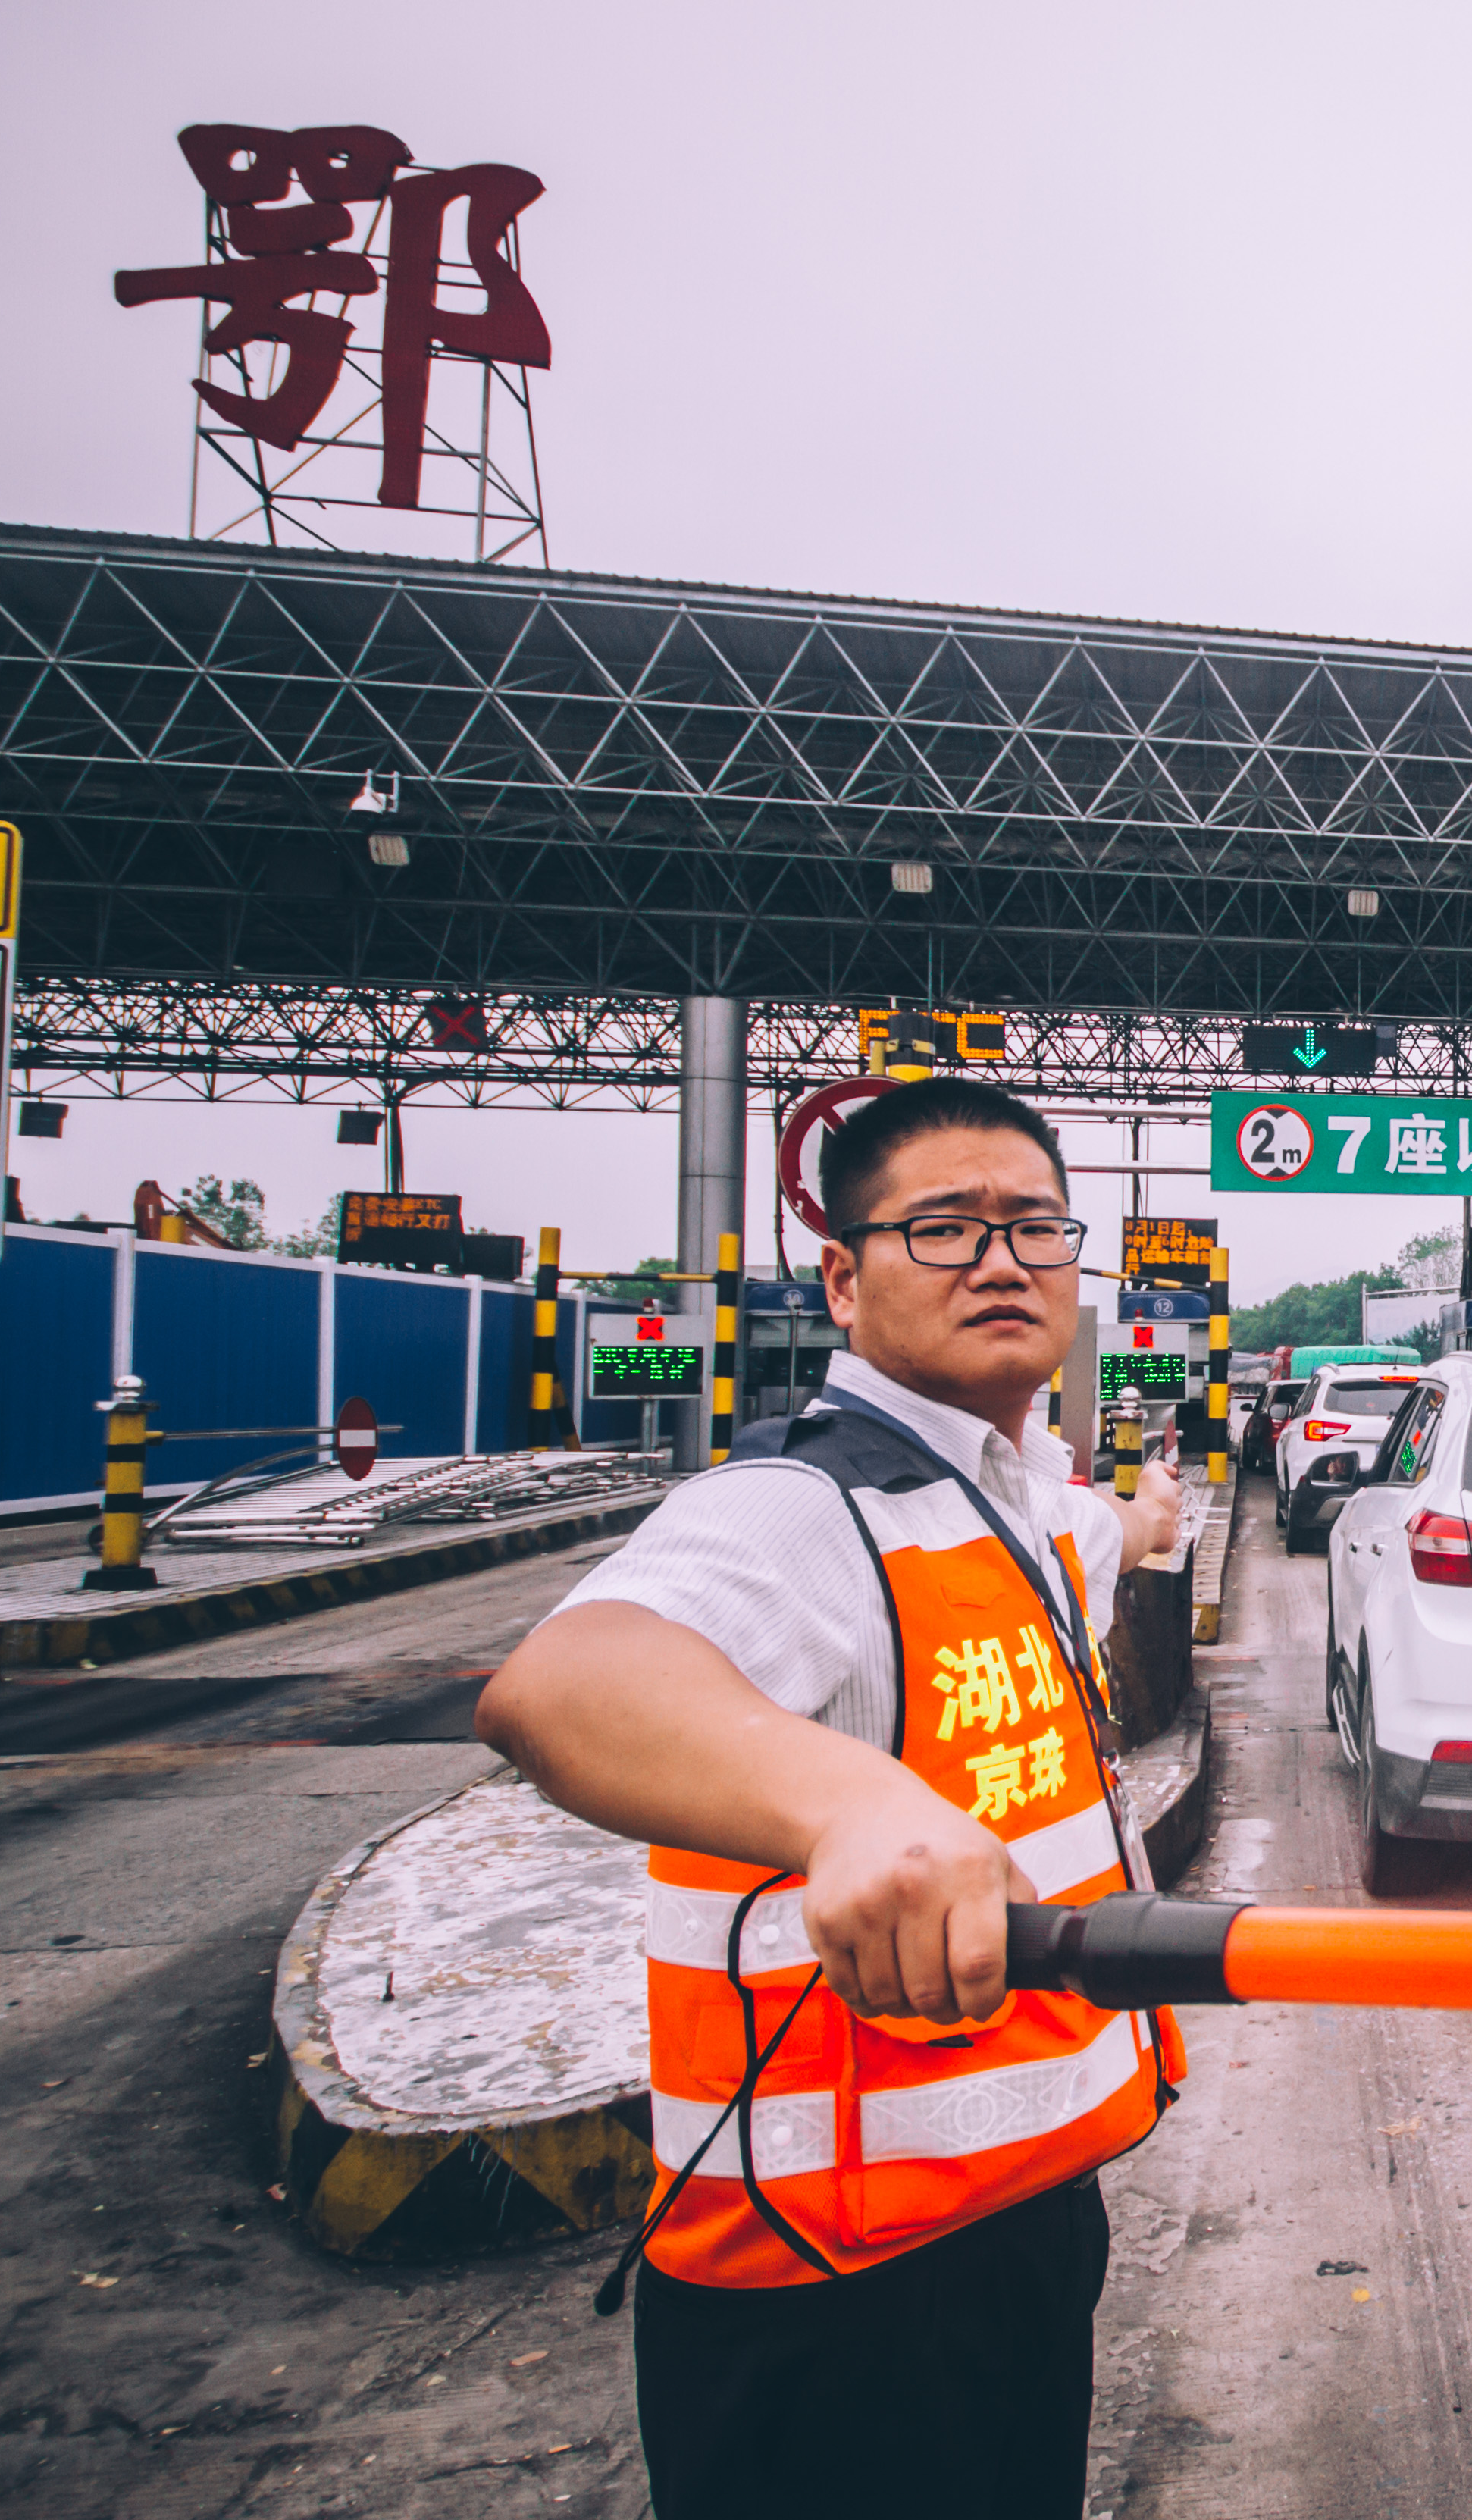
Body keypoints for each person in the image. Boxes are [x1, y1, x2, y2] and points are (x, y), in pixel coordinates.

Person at [478, 1077, 1185, 2520]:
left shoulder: (1015, 1499)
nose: (1001, 1260)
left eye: (1035, 1227)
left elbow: (1099, 1528)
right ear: (844, 1282)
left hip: (1018, 2219)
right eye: (943, 1228)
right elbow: (566, 1687)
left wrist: (1151, 1520)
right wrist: (849, 1806)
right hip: (835, 2283)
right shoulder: (798, 1510)